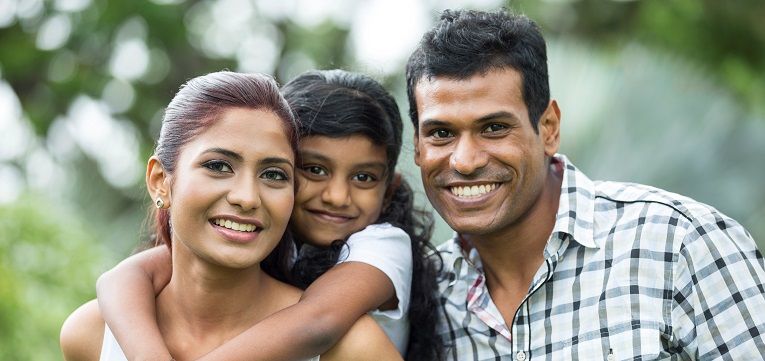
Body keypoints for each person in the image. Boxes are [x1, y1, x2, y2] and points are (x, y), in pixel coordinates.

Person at [406, 9, 765, 360]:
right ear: (419, 148)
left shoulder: (680, 244)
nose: (465, 161)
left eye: (494, 128)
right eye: (441, 133)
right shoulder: (424, 295)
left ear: (548, 129)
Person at [92, 70, 443, 360]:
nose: (337, 196)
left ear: (390, 188)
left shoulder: (380, 244)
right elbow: (123, 277)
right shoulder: (95, 331)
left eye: (272, 173)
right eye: (314, 170)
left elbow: (316, 321)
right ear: (160, 182)